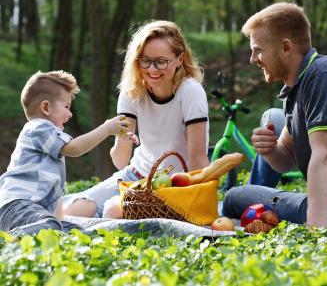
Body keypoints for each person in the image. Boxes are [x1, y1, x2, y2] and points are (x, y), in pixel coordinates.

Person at [223, 2, 327, 227]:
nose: (252, 59)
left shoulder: (323, 77)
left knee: (233, 197)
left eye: (258, 50)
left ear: (286, 47)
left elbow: (326, 156)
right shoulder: (300, 85)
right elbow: (286, 158)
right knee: (273, 116)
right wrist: (269, 150)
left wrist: (316, 231)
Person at [63, 20, 210, 219]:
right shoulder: (132, 90)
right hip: (135, 175)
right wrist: (123, 138)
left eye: (161, 61)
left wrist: (194, 202)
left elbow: (198, 160)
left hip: (173, 185)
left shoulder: (190, 91)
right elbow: (121, 161)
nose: (152, 69)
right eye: (145, 60)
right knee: (73, 211)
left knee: (112, 211)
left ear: (179, 59)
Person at [0, 70, 136, 236]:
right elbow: (75, 148)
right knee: (50, 225)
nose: (70, 114)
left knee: (76, 232)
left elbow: (56, 206)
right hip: (16, 207)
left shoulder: (49, 143)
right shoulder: (38, 127)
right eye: (66, 107)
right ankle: (13, 240)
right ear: (45, 107)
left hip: (32, 212)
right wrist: (107, 128)